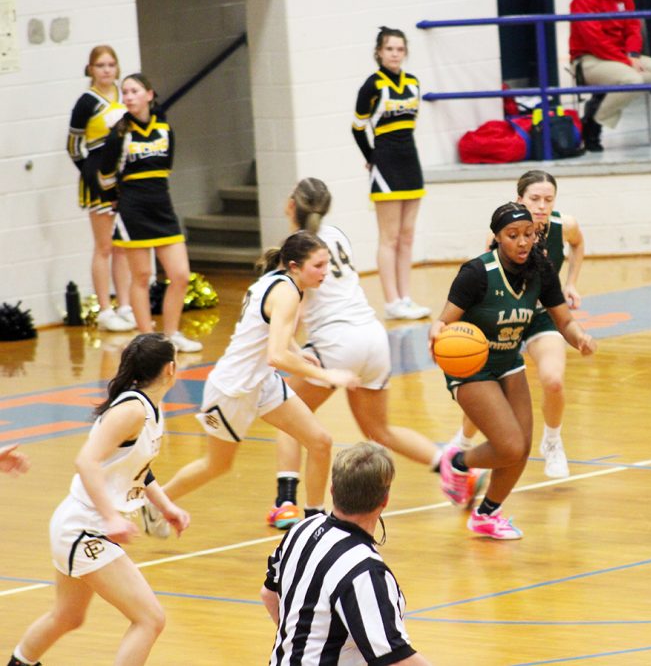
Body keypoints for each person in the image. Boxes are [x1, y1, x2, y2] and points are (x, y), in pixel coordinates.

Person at [143, 231, 358, 537]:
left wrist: (299, 353)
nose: (325, 272)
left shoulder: (279, 281)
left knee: (320, 442)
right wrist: (327, 376)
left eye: (327, 264)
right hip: (233, 389)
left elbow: (263, 331)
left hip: (262, 383)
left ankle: (314, 521)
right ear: (295, 266)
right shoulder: (286, 293)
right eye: (319, 265)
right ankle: (156, 504)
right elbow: (276, 355)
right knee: (216, 465)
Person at [265, 178, 452, 529]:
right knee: (379, 430)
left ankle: (286, 503)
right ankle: (452, 469)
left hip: (336, 340)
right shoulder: (337, 236)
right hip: (373, 336)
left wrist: (293, 348)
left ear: (291, 205)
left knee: (287, 414)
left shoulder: (292, 250)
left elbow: (292, 307)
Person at [7, 333, 189, 666]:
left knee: (68, 616)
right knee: (150, 619)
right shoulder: (132, 411)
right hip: (84, 527)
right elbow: (85, 461)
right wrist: (111, 517)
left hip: (79, 526)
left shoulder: (149, 407)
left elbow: (137, 469)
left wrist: (167, 506)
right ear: (171, 369)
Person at [429, 203, 596, 540]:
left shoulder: (542, 269)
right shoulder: (476, 272)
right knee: (507, 445)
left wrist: (580, 338)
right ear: (497, 238)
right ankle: (457, 462)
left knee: (522, 447)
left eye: (528, 235)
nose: (522, 242)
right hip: (471, 366)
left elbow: (562, 319)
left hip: (508, 362)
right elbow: (444, 320)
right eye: (513, 235)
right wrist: (436, 331)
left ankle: (487, 514)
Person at [450, 171, 586, 479]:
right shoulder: (501, 235)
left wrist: (571, 283)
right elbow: (483, 281)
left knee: (553, 380)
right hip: (503, 318)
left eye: (548, 199)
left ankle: (552, 442)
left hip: (539, 316)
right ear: (519, 199)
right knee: (488, 384)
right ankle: (463, 440)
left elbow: (578, 246)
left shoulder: (564, 226)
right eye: (534, 199)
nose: (541, 205)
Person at [262, 443, 431, 665]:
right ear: (385, 500)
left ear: (332, 489)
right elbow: (396, 659)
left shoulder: (302, 530)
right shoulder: (365, 570)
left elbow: (269, 595)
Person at [97, 73, 201, 353]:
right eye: (125, 92)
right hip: (133, 209)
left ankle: (172, 334)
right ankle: (148, 341)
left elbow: (166, 165)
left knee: (180, 274)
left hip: (162, 206)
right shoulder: (119, 132)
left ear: (149, 95)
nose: (129, 97)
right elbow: (105, 174)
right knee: (141, 276)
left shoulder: (164, 126)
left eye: (134, 91)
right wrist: (115, 201)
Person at [352, 26, 431, 321]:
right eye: (389, 49)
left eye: (400, 49)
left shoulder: (413, 82)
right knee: (389, 237)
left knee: (407, 236)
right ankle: (391, 301)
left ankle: (406, 297)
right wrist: (371, 158)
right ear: (379, 52)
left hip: (411, 161)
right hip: (385, 164)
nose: (395, 54)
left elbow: (409, 125)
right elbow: (358, 127)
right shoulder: (371, 85)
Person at [67, 45, 134, 333]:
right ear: (90, 69)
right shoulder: (86, 102)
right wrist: (90, 173)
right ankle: (105, 309)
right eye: (100, 65)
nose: (106, 70)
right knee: (104, 246)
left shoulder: (127, 96)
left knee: (123, 246)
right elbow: (73, 146)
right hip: (97, 178)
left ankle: (126, 305)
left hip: (124, 176)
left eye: (110, 64)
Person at [569, 0, 651, 152]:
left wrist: (633, 54)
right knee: (633, 80)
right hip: (588, 59)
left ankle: (594, 114)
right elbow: (595, 42)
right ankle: (594, 127)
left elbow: (633, 28)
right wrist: (626, 61)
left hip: (622, 57)